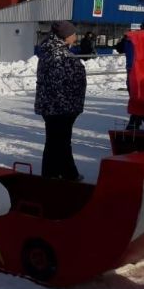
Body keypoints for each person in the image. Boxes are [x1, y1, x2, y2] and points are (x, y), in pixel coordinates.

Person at [34, 20, 86, 181]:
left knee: (54, 142)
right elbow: (62, 84)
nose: (75, 36)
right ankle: (65, 175)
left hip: (50, 105)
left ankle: (54, 174)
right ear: (66, 36)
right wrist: (74, 106)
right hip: (62, 106)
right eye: (73, 33)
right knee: (61, 142)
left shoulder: (49, 52)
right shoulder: (62, 56)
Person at [124, 19, 144, 130]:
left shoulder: (131, 39)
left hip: (132, 73)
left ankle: (135, 123)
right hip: (141, 74)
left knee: (137, 101)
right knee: (142, 101)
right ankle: (134, 125)